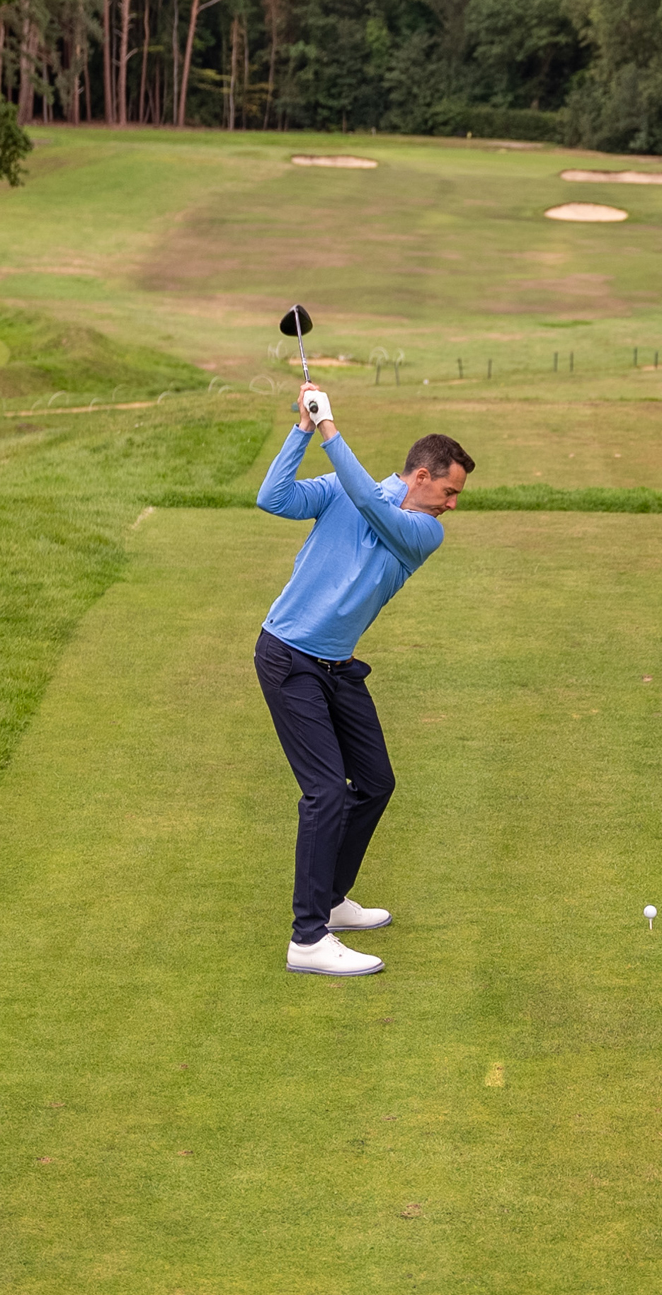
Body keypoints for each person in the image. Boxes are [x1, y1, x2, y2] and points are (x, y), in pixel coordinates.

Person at [253, 380, 474, 975]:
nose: (454, 503)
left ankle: (331, 899)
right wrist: (305, 429)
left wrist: (331, 428)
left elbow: (374, 506)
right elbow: (272, 498)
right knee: (325, 792)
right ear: (421, 476)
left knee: (375, 783)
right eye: (449, 491)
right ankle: (307, 938)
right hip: (288, 655)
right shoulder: (340, 490)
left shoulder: (425, 532)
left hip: (338, 668)